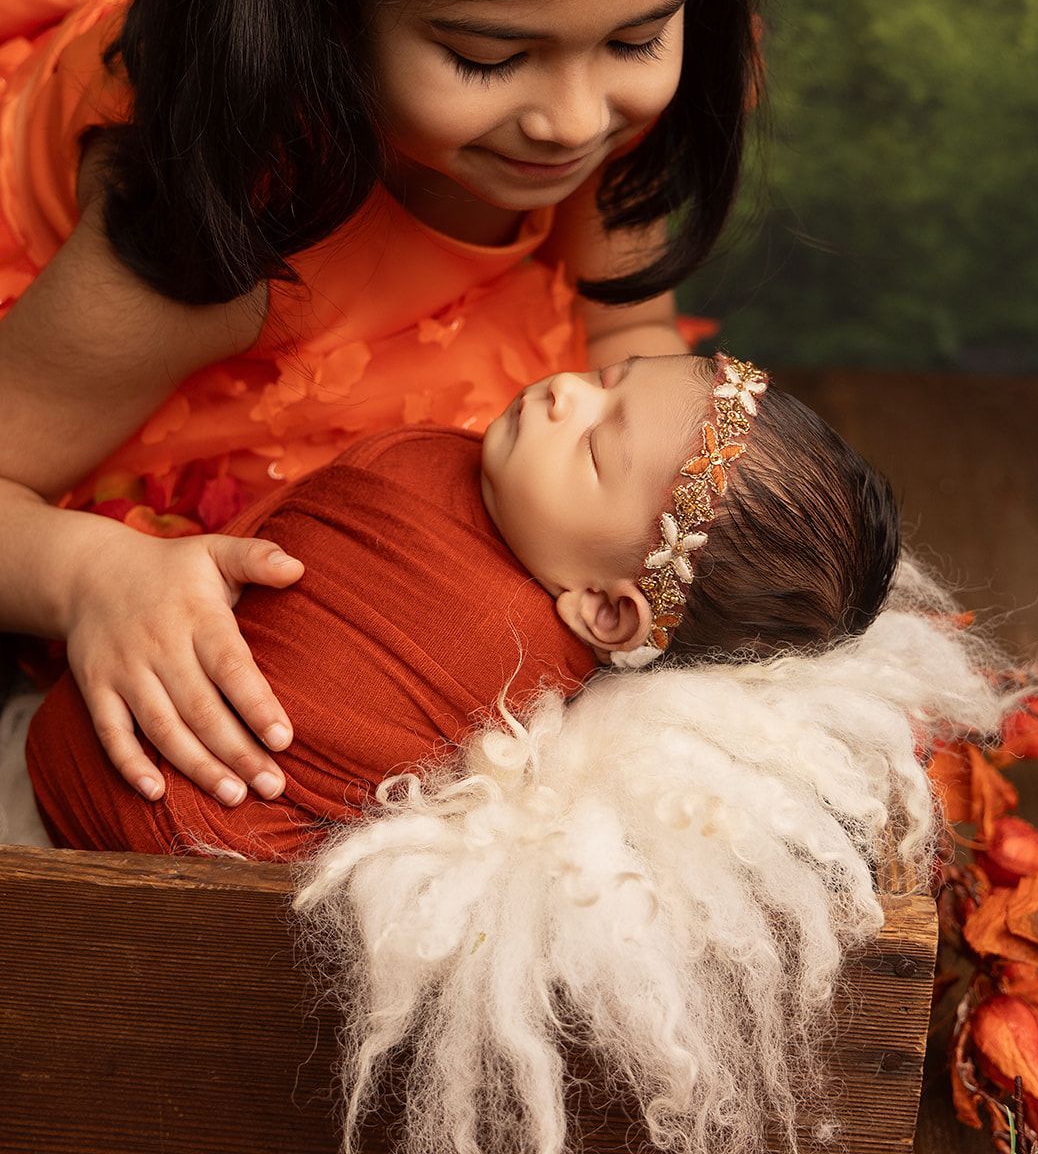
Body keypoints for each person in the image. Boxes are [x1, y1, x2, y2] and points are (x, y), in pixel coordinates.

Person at [0, 0, 766, 813]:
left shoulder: (622, 47)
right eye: (482, 54)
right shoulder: (213, 226)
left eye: (636, 40)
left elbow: (622, 314)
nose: (575, 119)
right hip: (169, 394)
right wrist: (89, 575)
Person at [24, 352, 901, 859]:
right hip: (96, 758)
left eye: (595, 445)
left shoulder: (507, 656)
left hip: (160, 848)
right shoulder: (453, 474)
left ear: (605, 612)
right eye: (607, 375)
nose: (565, 390)